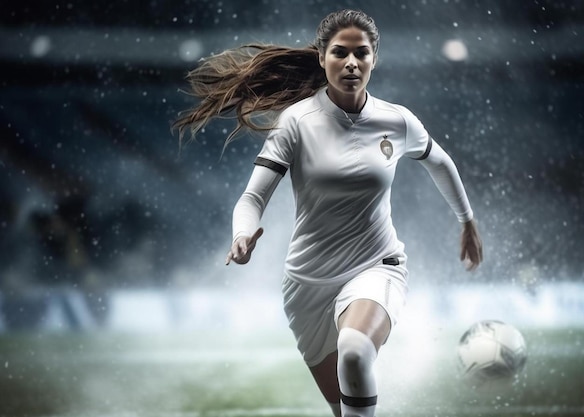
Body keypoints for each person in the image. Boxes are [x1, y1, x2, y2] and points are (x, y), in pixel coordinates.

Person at [174, 9, 483, 417]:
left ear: (375, 58)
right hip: (306, 285)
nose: (351, 62)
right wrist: (241, 235)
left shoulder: (397, 120)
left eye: (362, 53)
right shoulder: (296, 122)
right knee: (343, 408)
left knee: (354, 353)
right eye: (340, 52)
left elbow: (439, 162)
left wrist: (467, 220)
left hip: (378, 265)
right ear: (322, 58)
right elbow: (252, 198)